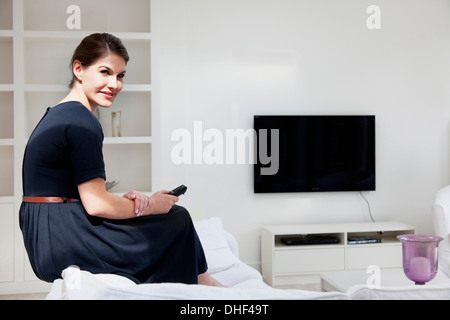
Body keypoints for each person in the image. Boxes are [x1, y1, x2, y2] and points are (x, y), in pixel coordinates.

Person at [20, 33, 223, 287]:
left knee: (164, 215)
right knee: (176, 217)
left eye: (120, 75)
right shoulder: (82, 121)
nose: (114, 84)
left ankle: (204, 282)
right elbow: (95, 204)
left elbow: (79, 193)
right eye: (105, 72)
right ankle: (205, 286)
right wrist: (152, 206)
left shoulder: (58, 113)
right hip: (65, 237)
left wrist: (138, 203)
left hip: (45, 236)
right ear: (78, 68)